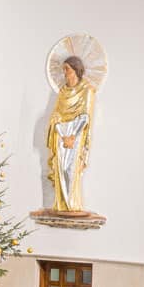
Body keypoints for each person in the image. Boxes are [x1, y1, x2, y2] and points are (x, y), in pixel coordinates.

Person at [46, 55, 95, 212]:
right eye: (63, 69)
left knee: (70, 169)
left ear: (76, 70)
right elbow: (56, 115)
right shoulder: (62, 92)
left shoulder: (86, 91)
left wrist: (73, 135)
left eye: (67, 69)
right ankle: (61, 204)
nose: (64, 72)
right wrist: (61, 131)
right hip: (61, 134)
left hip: (76, 134)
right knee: (60, 167)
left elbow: (85, 116)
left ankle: (72, 204)